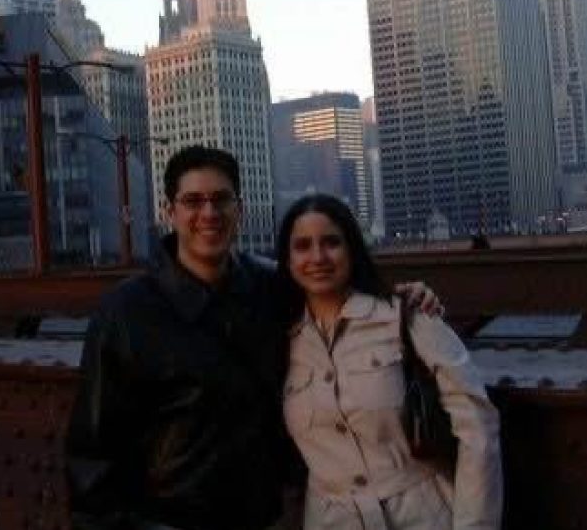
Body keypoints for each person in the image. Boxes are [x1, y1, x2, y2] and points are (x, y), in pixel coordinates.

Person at [66, 146, 440, 530]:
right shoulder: (125, 311)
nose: (209, 213)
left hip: (269, 518)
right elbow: (91, 454)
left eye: (221, 200)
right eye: (193, 201)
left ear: (239, 210)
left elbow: (339, 301)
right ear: (168, 212)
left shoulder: (274, 287)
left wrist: (405, 299)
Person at [277, 193, 502, 530]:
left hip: (424, 516)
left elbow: (477, 423)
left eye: (332, 242)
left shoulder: (406, 316)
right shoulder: (281, 340)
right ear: (287, 260)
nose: (318, 257)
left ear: (352, 249)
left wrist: (475, 524)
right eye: (302, 246)